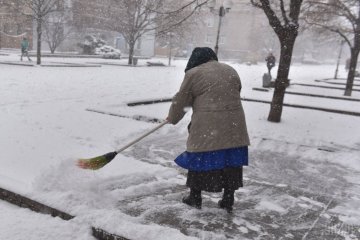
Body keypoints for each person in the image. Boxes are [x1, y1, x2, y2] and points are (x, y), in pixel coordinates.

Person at [167, 47, 250, 213]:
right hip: (235, 126)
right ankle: (228, 199)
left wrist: (172, 118)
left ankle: (195, 197)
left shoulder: (194, 73)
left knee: (200, 158)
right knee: (230, 162)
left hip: (208, 126)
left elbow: (182, 101)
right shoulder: (230, 70)